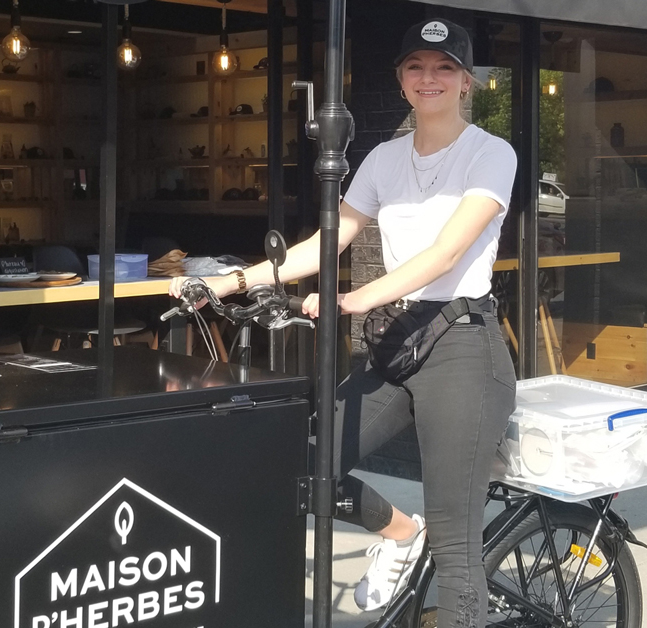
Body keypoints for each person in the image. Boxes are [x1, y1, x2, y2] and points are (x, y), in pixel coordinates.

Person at [171, 17, 516, 627]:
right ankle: (400, 533)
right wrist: (231, 280)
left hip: (464, 346)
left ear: (466, 82)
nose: (428, 78)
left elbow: (446, 253)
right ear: (401, 79)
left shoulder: (491, 154)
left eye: (443, 68)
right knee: (306, 464)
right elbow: (323, 243)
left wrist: (354, 299)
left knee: (456, 540)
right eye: (415, 67)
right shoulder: (384, 158)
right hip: (400, 341)